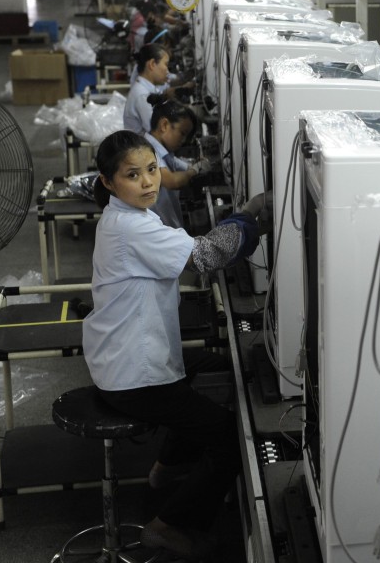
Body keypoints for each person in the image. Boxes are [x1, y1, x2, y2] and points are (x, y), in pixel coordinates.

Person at [83, 130, 267, 559]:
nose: (148, 181)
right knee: (226, 437)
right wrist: (249, 217)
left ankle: (163, 473)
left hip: (122, 356)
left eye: (151, 170)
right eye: (133, 175)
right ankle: (167, 526)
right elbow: (203, 256)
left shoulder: (131, 216)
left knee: (202, 367)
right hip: (132, 374)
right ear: (109, 182)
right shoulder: (129, 228)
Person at [142, 96, 209, 228]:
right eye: (182, 133)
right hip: (156, 233)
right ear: (164, 125)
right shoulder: (147, 150)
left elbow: (180, 165)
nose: (184, 141)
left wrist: (197, 165)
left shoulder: (165, 153)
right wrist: (194, 170)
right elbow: (172, 181)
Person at [125, 44, 170, 134]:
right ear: (152, 64)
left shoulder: (146, 89)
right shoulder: (142, 95)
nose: (167, 71)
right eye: (166, 64)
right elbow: (159, 131)